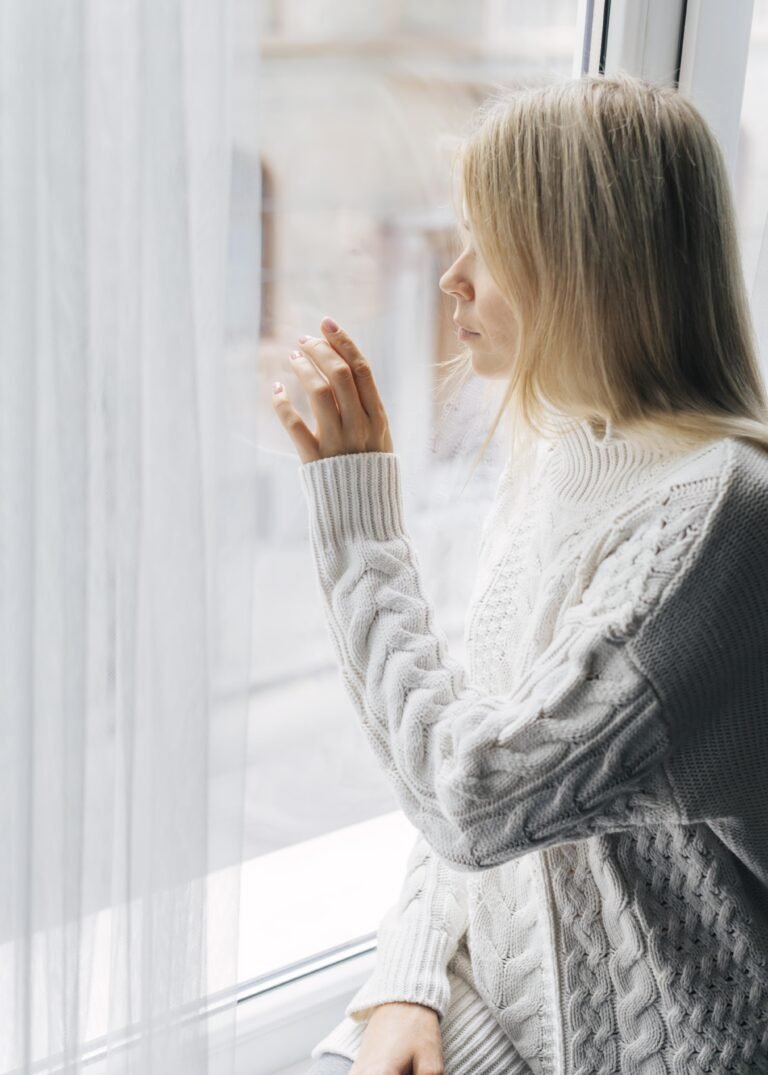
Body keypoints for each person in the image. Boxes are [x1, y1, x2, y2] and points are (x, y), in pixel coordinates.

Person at [275, 73, 768, 1074]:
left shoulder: (721, 518)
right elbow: (472, 727)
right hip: (498, 999)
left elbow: (475, 796)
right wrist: (408, 977)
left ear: (586, 266)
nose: (453, 279)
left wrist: (361, 532)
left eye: (487, 246)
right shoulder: (563, 450)